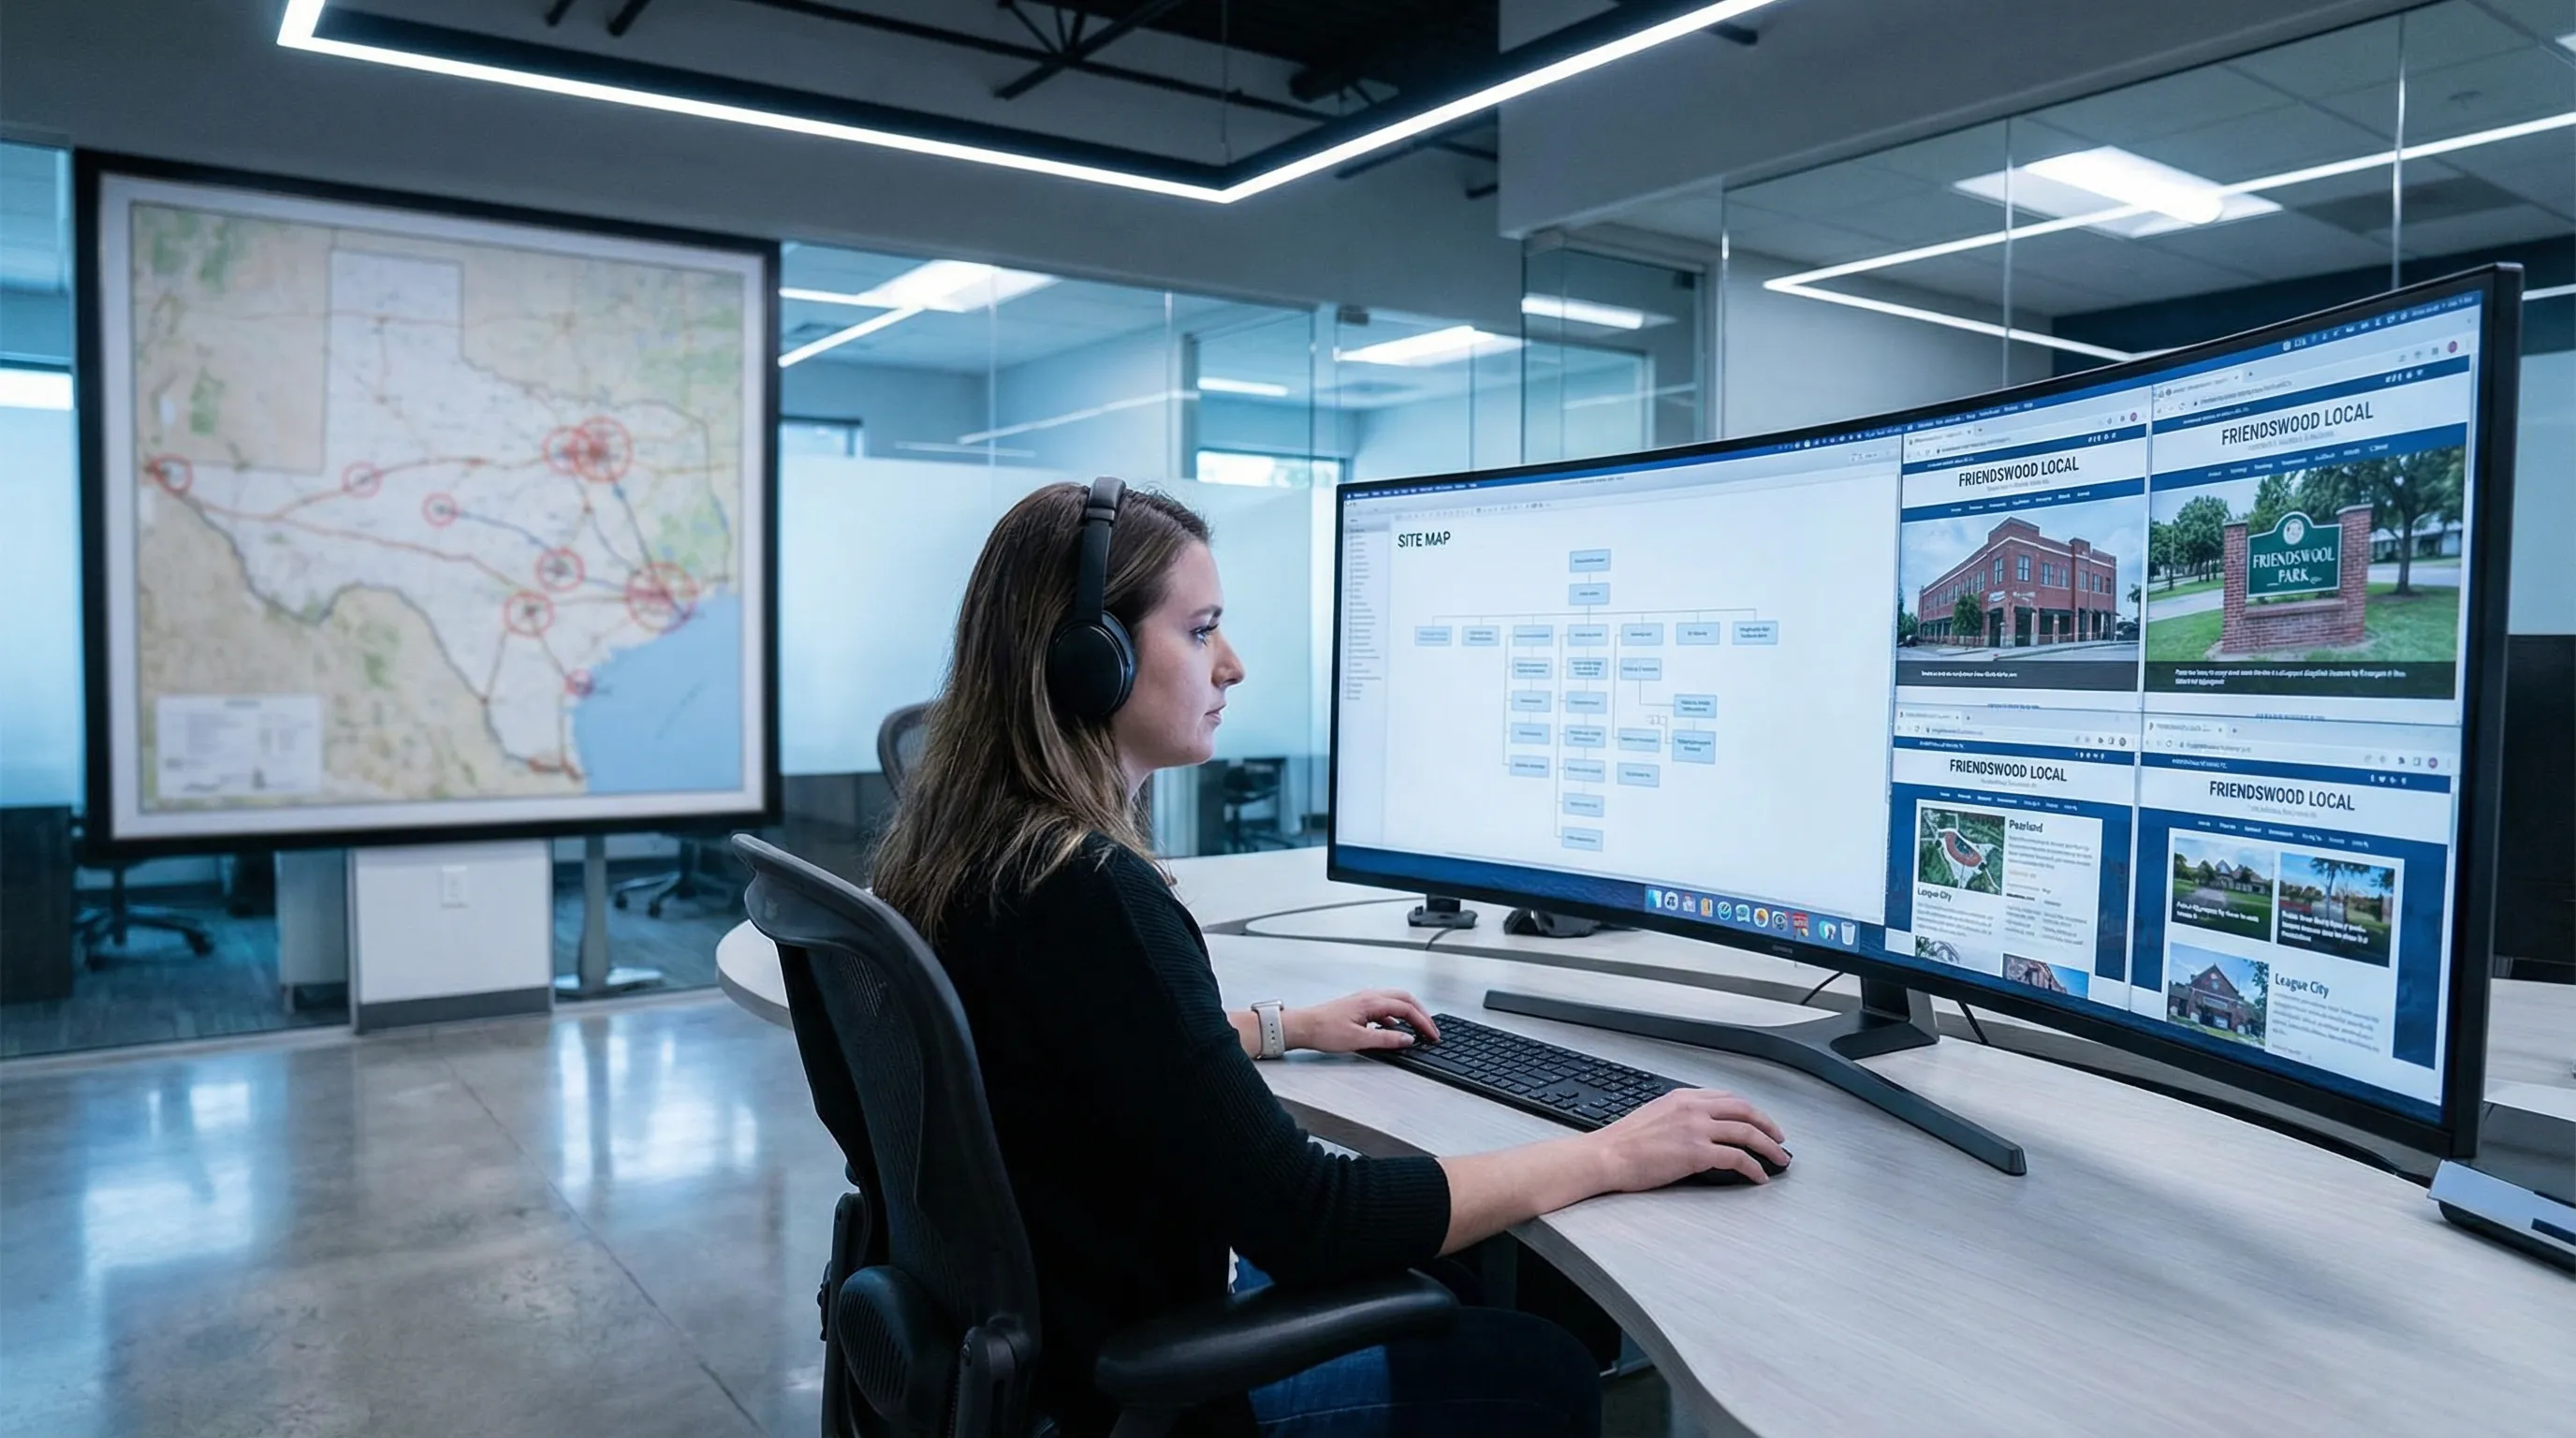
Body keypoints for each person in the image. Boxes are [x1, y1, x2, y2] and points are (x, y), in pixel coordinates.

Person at [871, 479, 1790, 1438]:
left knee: (1462, 1269)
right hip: (1136, 1378)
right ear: (1084, 661)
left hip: (1044, 1327)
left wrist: (1286, 1027)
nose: (1232, 666)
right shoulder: (1094, 894)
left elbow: (1064, 1054)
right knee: (1539, 1365)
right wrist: (1608, 1152)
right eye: (1199, 632)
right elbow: (1311, 1216)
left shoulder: (967, 851)